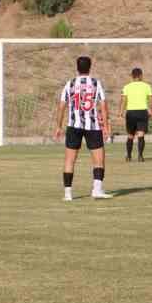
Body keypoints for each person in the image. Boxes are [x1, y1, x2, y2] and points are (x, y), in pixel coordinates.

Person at [55, 56, 111, 200]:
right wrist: (105, 126)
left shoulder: (70, 83)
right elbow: (103, 106)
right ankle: (97, 190)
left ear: (77, 67)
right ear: (90, 67)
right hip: (93, 126)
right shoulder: (95, 83)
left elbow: (61, 106)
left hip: (74, 126)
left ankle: (68, 194)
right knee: (98, 160)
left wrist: (58, 126)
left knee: (69, 160)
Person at [121, 67, 152, 162]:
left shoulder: (127, 87)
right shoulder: (146, 86)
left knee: (130, 135)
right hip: (142, 112)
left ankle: (128, 156)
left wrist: (121, 111)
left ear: (132, 76)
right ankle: (140, 156)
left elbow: (124, 100)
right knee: (141, 135)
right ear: (141, 75)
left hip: (131, 112)